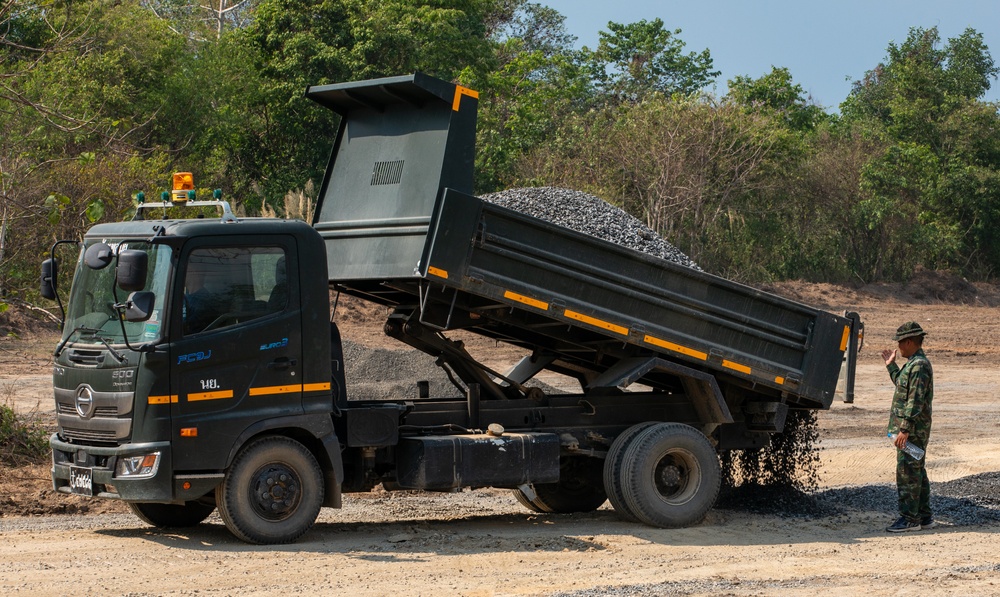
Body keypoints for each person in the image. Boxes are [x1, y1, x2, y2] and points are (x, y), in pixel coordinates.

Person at [880, 321, 934, 532]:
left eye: (900, 343)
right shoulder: (914, 363)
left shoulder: (919, 365)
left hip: (912, 431)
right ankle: (925, 516)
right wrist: (891, 366)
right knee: (916, 469)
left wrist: (905, 429)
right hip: (912, 429)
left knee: (908, 471)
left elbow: (915, 399)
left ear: (909, 342)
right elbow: (904, 386)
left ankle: (910, 519)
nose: (899, 347)